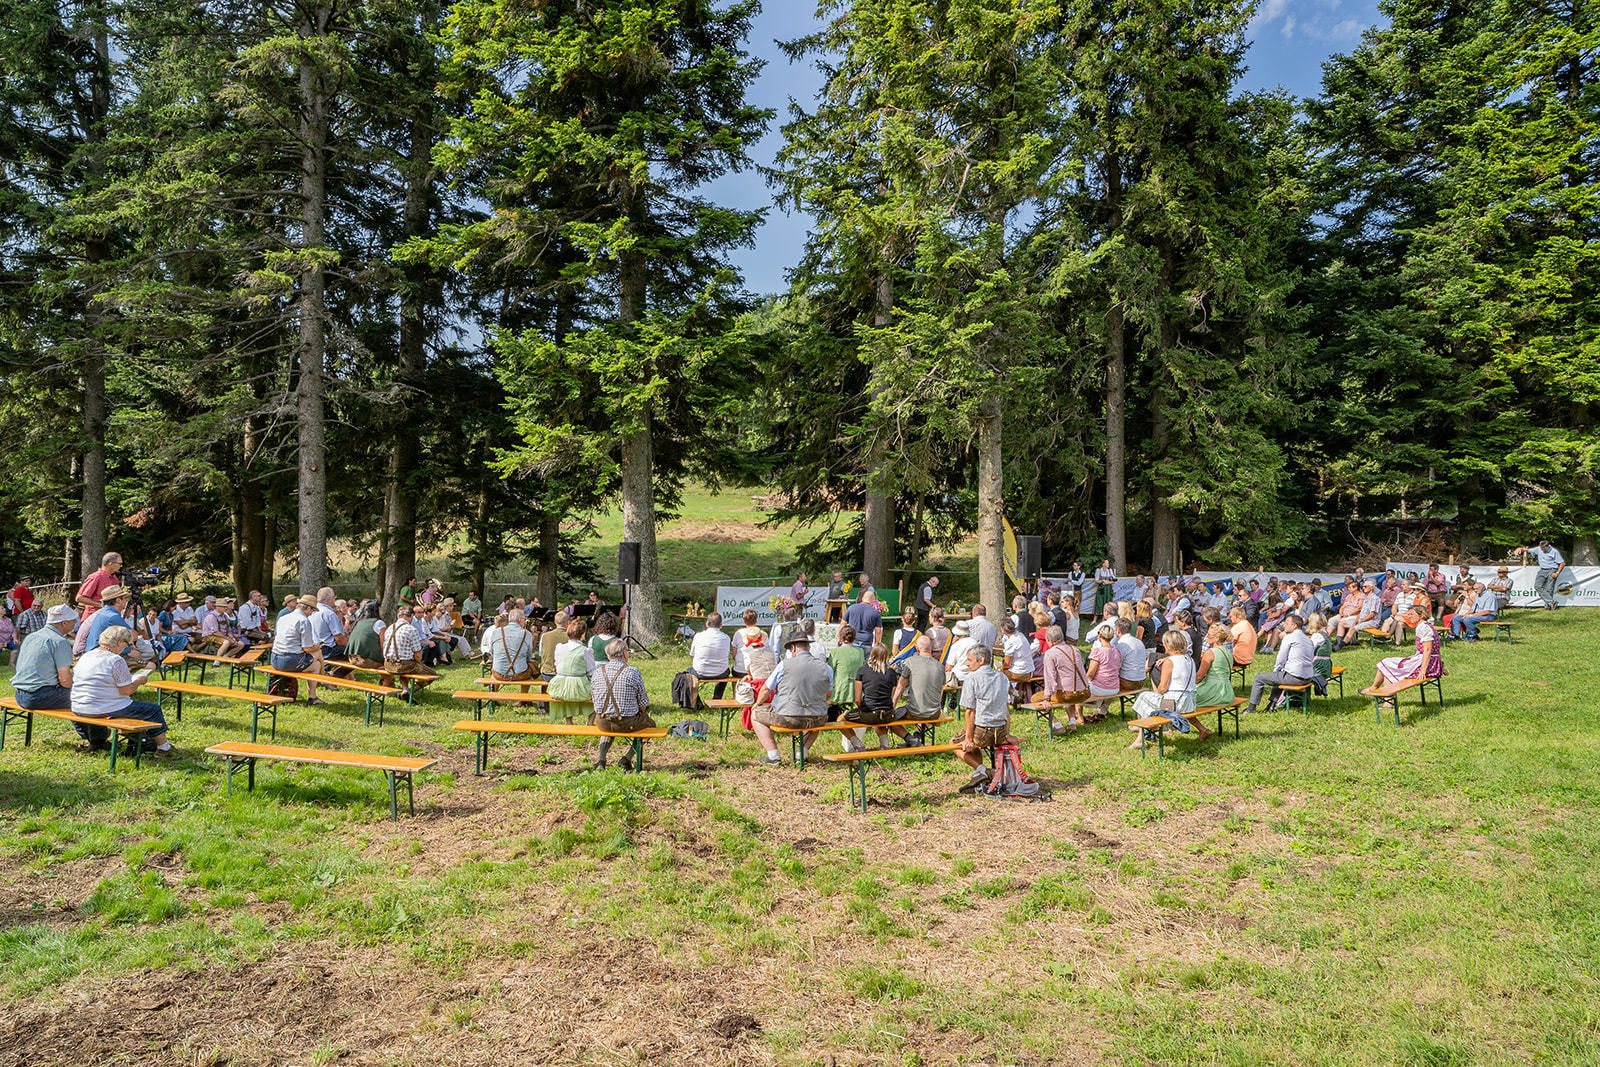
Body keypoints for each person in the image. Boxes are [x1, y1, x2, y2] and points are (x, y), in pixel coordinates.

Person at [73, 625, 176, 758]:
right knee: (153, 710)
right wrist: (139, 680)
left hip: (79, 705)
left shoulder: (86, 656)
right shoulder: (115, 660)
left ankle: (100, 741)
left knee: (132, 710)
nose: (127, 648)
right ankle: (164, 748)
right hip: (101, 707)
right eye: (127, 644)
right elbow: (126, 690)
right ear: (119, 642)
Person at [752, 631, 833, 766]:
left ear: (793, 648)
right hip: (817, 717)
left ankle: (773, 756)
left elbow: (766, 689)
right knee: (818, 720)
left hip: (788, 717)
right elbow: (828, 694)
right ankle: (802, 754)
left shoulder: (784, 665)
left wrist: (758, 703)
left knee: (755, 714)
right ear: (808, 647)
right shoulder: (826, 667)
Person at [1129, 630, 1211, 748]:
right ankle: (1203, 729)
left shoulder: (1170, 662)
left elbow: (1162, 688)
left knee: (1143, 697)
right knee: (1151, 699)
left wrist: (1157, 693)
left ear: (1168, 645)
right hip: (1189, 702)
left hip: (1175, 703)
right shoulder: (1190, 660)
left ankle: (1140, 738)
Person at [588, 640, 654, 770]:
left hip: (602, 722)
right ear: (624, 653)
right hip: (627, 724)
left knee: (608, 726)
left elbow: (595, 702)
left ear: (608, 655)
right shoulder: (633, 672)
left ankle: (601, 760)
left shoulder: (597, 672)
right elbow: (643, 704)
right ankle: (627, 758)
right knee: (650, 724)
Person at [954, 645, 1013, 792]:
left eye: (969, 660)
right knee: (972, 742)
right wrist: (1006, 733)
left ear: (980, 660)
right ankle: (980, 776)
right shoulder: (1002, 677)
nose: (967, 663)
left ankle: (983, 770)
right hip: (1000, 731)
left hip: (983, 732)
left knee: (955, 743)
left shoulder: (971, 678)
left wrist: (968, 738)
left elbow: (970, 712)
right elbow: (1006, 709)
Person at [1362, 607, 1447, 706]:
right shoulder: (1426, 626)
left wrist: (1423, 671)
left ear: (1421, 615)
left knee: (1387, 663)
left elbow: (1428, 651)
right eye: (1408, 614)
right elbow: (1436, 650)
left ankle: (1377, 691)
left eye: (1412, 614)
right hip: (1431, 663)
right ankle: (1385, 700)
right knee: (1389, 664)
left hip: (1426, 664)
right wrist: (1440, 666)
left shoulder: (1423, 628)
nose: (1409, 616)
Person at [12, 606, 78, 727]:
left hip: (20, 694)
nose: (75, 622)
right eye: (74, 620)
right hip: (39, 696)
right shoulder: (59, 641)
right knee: (87, 696)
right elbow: (65, 680)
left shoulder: (31, 636)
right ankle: (97, 739)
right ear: (64, 623)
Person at [1246, 613, 1314, 714]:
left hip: (1295, 677)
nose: (1283, 625)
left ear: (1294, 626)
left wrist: (1275, 671)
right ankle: (1271, 705)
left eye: (1286, 623)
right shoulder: (1308, 639)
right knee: (1279, 675)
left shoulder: (1289, 637)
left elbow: (1281, 659)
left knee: (1259, 678)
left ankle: (1251, 709)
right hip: (1308, 677)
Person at [849, 642, 911, 749]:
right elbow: (891, 696)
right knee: (879, 718)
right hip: (887, 713)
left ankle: (857, 744)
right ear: (886, 655)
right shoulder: (892, 673)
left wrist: (863, 709)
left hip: (870, 712)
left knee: (841, 719)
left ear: (872, 654)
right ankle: (884, 744)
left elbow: (857, 699)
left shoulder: (862, 670)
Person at [272, 595, 326, 703]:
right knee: (318, 652)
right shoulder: (303, 621)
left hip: (274, 659)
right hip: (289, 661)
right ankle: (323, 680)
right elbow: (307, 648)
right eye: (313, 610)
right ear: (308, 608)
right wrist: (317, 646)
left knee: (316, 664)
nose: (312, 614)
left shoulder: (283, 618)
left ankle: (314, 694)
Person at [892, 635, 947, 732]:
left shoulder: (910, 662)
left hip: (914, 712)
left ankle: (909, 738)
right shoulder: (940, 666)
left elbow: (900, 687)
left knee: (889, 720)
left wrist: (892, 707)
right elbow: (941, 691)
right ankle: (917, 734)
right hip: (934, 713)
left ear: (917, 649)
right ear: (931, 648)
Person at [547, 618, 597, 723]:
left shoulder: (559, 647)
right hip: (579, 687)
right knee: (599, 695)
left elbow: (557, 665)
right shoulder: (586, 651)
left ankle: (569, 721)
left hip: (559, 686)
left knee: (569, 692)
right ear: (582, 635)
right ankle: (590, 722)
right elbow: (591, 671)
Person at [1039, 627, 1090, 731]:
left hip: (1068, 694)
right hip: (1084, 692)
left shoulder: (1050, 653)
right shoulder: (1074, 649)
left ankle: (1057, 725)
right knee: (1068, 691)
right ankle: (1072, 722)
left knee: (1035, 699)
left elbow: (1049, 678)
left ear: (1050, 641)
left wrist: (1047, 698)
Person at [380, 605, 438, 687]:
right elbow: (418, 655)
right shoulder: (411, 629)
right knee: (432, 675)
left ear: (398, 616)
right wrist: (418, 664)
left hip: (387, 664)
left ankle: (405, 689)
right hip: (404, 666)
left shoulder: (390, 627)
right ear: (411, 616)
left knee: (406, 667)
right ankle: (411, 691)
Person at [825, 624, 866, 717]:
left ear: (840, 637)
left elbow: (830, 670)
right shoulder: (860, 651)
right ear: (854, 637)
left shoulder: (835, 652)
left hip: (840, 689)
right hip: (856, 689)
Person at [487, 609, 537, 683]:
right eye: (524, 619)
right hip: (520, 674)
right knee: (531, 667)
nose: (525, 621)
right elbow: (529, 656)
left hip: (498, 674)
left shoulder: (496, 632)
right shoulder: (527, 634)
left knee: (495, 671)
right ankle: (524, 693)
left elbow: (491, 652)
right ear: (520, 620)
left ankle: (494, 693)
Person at [689, 613, 733, 698]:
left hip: (700, 672)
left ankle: (696, 700)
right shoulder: (726, 638)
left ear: (707, 624)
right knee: (726, 671)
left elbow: (692, 654)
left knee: (689, 673)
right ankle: (717, 697)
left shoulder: (698, 636)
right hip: (721, 672)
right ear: (721, 625)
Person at [1192, 623, 1234, 709]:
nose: (1207, 637)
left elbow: (1199, 676)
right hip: (1227, 692)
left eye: (1209, 635)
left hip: (1213, 691)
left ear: (1217, 638)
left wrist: (1189, 685)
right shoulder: (1228, 651)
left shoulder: (1210, 652)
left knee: (1183, 701)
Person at [1523, 538, 1566, 610]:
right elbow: (1528, 550)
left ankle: (1548, 607)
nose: (1542, 550)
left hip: (1552, 570)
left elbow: (1562, 563)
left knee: (1549, 589)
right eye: (1541, 548)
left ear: (1548, 546)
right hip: (1542, 570)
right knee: (1537, 586)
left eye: (1543, 548)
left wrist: (1557, 573)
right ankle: (1552, 603)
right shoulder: (1539, 549)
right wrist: (1520, 549)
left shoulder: (1554, 552)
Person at [1000, 619, 1036, 700]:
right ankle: (1015, 696)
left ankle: (1016, 694)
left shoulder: (1010, 642)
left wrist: (1000, 668)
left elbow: (1007, 664)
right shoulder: (1021, 635)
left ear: (1003, 630)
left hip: (1020, 672)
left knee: (998, 676)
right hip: (1030, 670)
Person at [346, 603, 386, 670]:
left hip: (352, 659)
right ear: (376, 610)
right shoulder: (379, 623)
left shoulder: (359, 622)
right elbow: (384, 645)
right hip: (366, 661)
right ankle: (386, 680)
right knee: (388, 665)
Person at [1113, 617, 1148, 685]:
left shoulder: (1121, 644)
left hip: (1128, 681)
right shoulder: (1139, 642)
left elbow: (1116, 666)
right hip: (1141, 680)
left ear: (1117, 630)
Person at [539, 610, 569, 682]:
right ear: (568, 623)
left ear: (555, 622)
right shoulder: (570, 637)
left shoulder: (544, 636)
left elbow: (541, 653)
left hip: (547, 673)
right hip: (564, 673)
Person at [1227, 607, 1257, 677]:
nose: (1230, 618)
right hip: (1249, 658)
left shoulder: (1239, 626)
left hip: (1238, 659)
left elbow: (1227, 641)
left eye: (1231, 616)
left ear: (1236, 616)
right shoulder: (1249, 625)